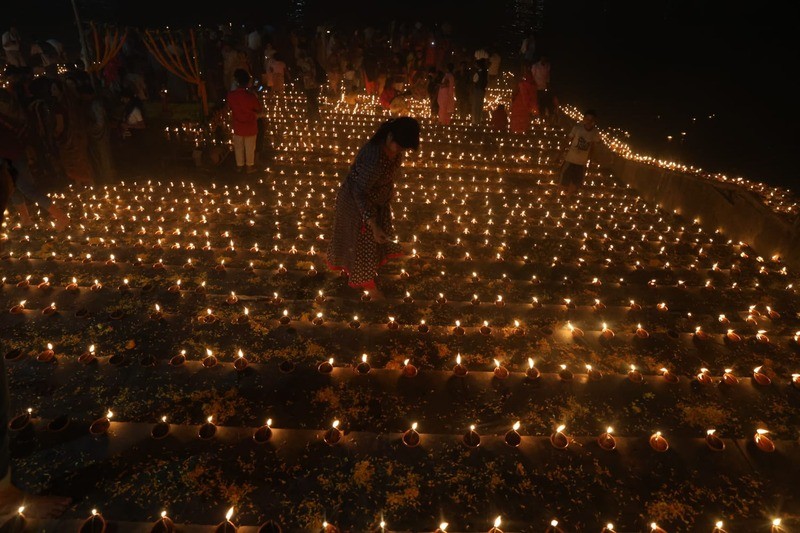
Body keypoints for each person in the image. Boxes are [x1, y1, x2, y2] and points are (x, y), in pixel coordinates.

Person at [327, 117, 420, 299]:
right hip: (356, 205)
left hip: (375, 202)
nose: (400, 151)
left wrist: (388, 194)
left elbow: (387, 177)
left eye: (403, 148)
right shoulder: (374, 157)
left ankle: (357, 271)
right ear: (390, 136)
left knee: (366, 243)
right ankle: (366, 284)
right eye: (399, 146)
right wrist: (372, 222)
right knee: (364, 244)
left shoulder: (392, 152)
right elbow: (358, 191)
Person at [226, 69, 263, 173]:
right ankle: (249, 167)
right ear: (248, 82)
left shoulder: (231, 95)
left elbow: (229, 107)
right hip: (250, 126)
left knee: (238, 147)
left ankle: (239, 166)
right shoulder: (250, 96)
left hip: (238, 125)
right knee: (250, 148)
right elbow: (258, 108)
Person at [559, 109, 600, 194]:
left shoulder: (595, 132)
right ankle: (560, 198)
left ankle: (568, 199)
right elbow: (567, 140)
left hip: (581, 163)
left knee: (575, 184)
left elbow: (592, 147)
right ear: (584, 119)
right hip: (570, 160)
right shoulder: (577, 128)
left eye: (591, 120)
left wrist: (591, 161)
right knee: (563, 182)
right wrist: (560, 154)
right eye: (587, 119)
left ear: (594, 121)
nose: (589, 122)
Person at [531, 56, 555, 123]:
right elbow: (533, 76)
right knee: (538, 103)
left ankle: (544, 118)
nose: (544, 60)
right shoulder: (535, 66)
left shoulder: (547, 66)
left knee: (543, 103)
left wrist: (548, 85)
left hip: (544, 88)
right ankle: (537, 117)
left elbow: (547, 76)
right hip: (537, 88)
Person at [469, 58, 488, 125]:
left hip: (477, 89)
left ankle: (475, 121)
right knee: (479, 105)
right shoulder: (485, 71)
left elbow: (475, 80)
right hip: (482, 90)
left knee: (476, 105)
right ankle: (478, 120)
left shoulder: (479, 72)